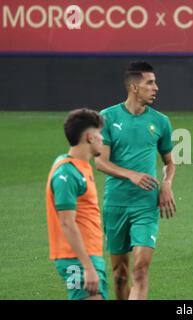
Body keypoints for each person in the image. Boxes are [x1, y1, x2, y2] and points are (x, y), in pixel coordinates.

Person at [95, 62, 176, 300]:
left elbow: (169, 162)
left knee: (140, 269)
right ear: (133, 87)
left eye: (155, 82)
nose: (155, 88)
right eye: (149, 83)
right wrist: (131, 174)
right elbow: (101, 162)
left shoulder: (161, 121)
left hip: (146, 205)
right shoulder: (108, 117)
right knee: (120, 274)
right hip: (116, 204)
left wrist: (167, 183)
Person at [46, 108, 107, 300]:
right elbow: (66, 222)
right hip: (78, 259)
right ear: (89, 137)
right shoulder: (67, 173)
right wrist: (87, 267)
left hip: (89, 254)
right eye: (99, 134)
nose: (102, 140)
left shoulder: (78, 166)